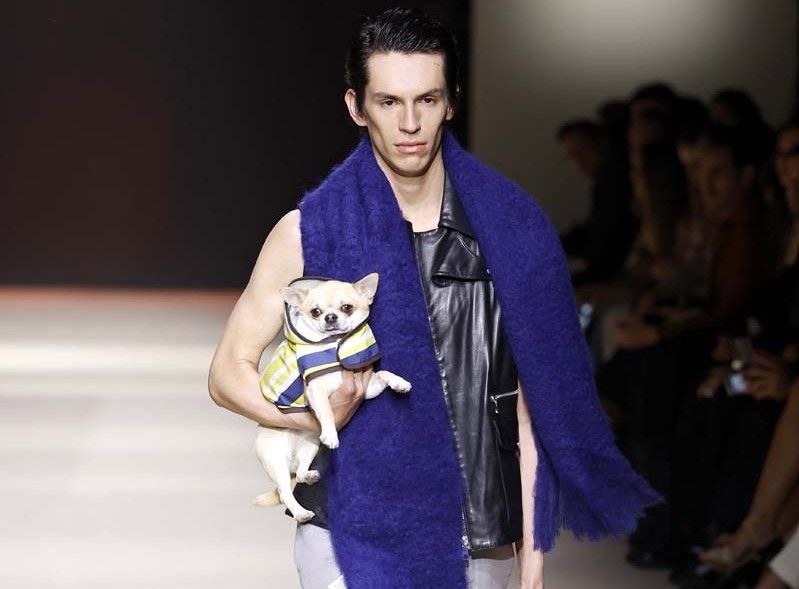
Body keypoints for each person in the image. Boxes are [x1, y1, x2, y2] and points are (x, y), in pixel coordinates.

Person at [208, 8, 660, 589]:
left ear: (451, 102)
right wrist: (306, 417)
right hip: (348, 529)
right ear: (356, 107)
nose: (410, 123)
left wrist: (534, 555)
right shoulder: (308, 232)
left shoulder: (511, 230)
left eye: (426, 99)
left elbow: (530, 404)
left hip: (481, 533)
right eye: (389, 102)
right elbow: (227, 371)